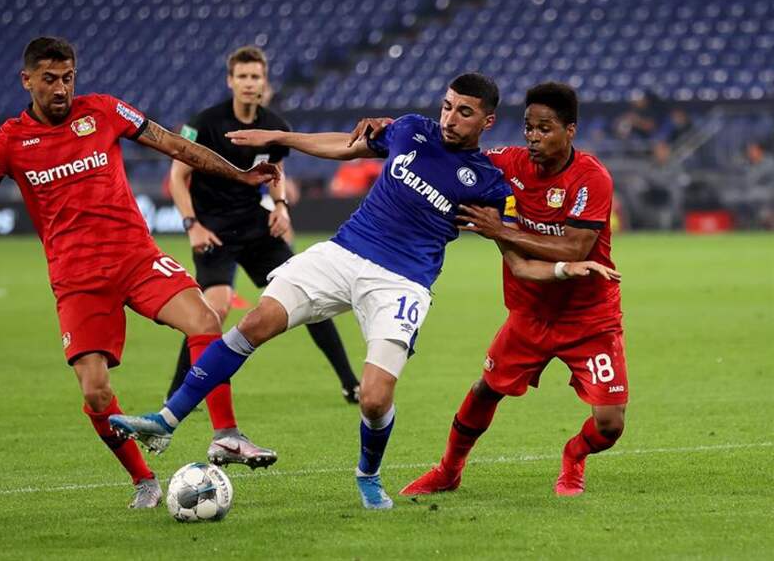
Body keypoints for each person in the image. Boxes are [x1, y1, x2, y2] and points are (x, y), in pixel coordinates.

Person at [109, 73, 618, 510]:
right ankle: (167, 419)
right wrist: (277, 137)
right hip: (345, 251)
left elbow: (518, 262)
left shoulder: (488, 182)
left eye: (463, 113)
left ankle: (368, 477)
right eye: (446, 106)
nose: (448, 118)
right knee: (254, 322)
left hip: (402, 282)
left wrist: (561, 272)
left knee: (374, 399)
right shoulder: (412, 129)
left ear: (485, 122)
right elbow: (343, 144)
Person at [0, 37, 280, 509]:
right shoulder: (9, 140)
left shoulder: (104, 111)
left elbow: (176, 145)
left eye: (68, 77)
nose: (61, 88)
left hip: (135, 257)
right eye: (49, 79)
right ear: (27, 81)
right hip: (77, 278)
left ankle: (225, 433)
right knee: (96, 392)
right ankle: (143, 480)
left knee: (205, 320)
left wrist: (240, 174)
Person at [395, 82, 628, 498]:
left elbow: (575, 247)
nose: (534, 137)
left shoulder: (592, 179)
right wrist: (388, 132)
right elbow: (453, 157)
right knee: (485, 389)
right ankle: (448, 470)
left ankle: (573, 456)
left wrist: (501, 230)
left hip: (589, 317)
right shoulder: (506, 164)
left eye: (545, 129)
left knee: (610, 425)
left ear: (570, 130)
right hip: (530, 314)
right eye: (529, 128)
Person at [165, 46, 360, 419]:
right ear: (231, 81)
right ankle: (174, 396)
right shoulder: (203, 123)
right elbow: (177, 176)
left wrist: (281, 206)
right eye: (243, 77)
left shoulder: (275, 126)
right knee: (213, 310)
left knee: (309, 295)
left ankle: (350, 382)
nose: (249, 83)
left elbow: (274, 174)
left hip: (256, 227)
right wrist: (192, 225)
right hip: (213, 230)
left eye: (256, 77)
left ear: (263, 82)